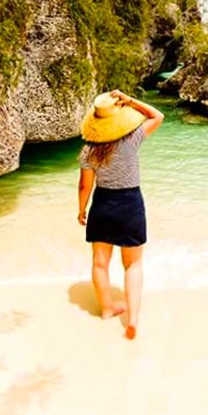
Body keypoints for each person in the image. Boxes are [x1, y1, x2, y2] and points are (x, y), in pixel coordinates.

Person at [77, 89, 164, 340]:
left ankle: (106, 309)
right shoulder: (132, 139)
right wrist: (130, 100)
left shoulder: (88, 151)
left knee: (99, 263)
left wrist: (81, 209)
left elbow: (85, 186)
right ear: (118, 118)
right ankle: (133, 318)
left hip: (103, 204)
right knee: (133, 264)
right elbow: (157, 116)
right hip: (131, 204)